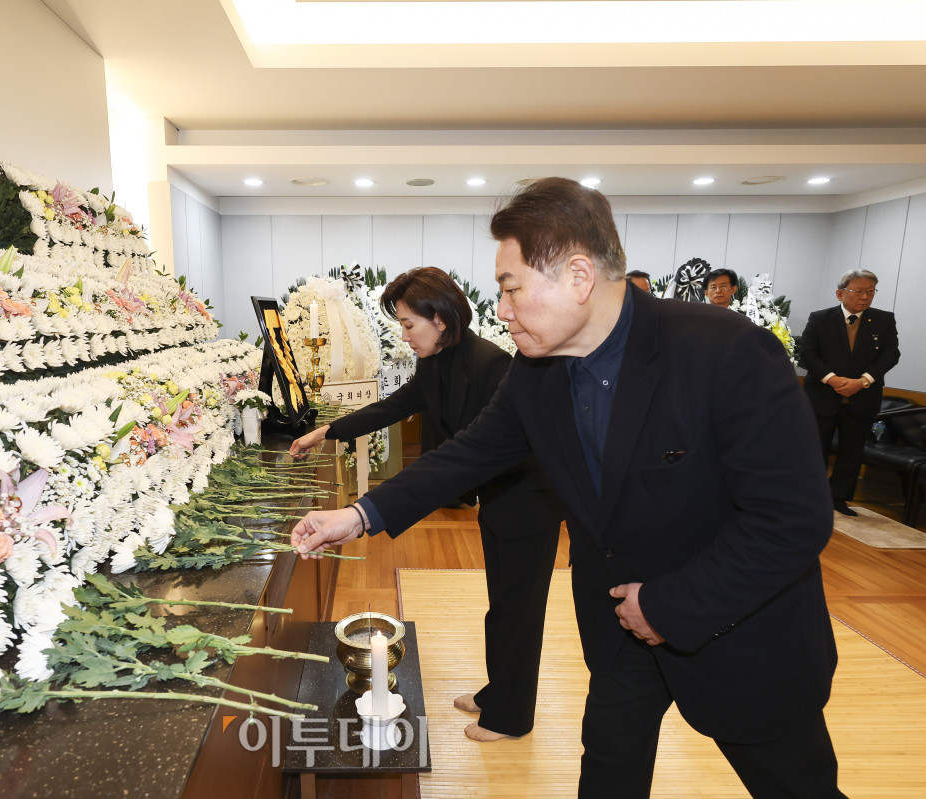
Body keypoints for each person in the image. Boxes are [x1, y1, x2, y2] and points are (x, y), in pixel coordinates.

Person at [293, 178, 845, 798]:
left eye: (510, 288)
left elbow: (791, 519)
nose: (500, 310)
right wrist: (361, 513)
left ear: (578, 276)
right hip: (617, 628)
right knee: (607, 775)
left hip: (736, 629)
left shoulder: (725, 352)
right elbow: (469, 453)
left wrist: (666, 607)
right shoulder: (537, 372)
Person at [290, 267, 561, 743]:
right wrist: (327, 431)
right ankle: (500, 692)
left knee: (519, 611)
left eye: (408, 323)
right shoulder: (437, 362)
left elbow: (476, 452)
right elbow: (393, 406)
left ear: (440, 319)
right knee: (502, 606)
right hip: (498, 498)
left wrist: (367, 514)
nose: (404, 334)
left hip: (528, 502)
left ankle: (512, 717)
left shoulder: (491, 363)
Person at [799, 269, 900, 516]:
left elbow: (891, 354)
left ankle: (839, 498)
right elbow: (807, 354)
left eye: (871, 291)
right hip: (823, 396)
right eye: (858, 291)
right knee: (815, 448)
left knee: (852, 451)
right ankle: (811, 495)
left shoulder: (884, 320)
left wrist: (863, 381)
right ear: (840, 293)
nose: (865, 297)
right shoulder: (820, 318)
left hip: (863, 396)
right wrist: (832, 379)